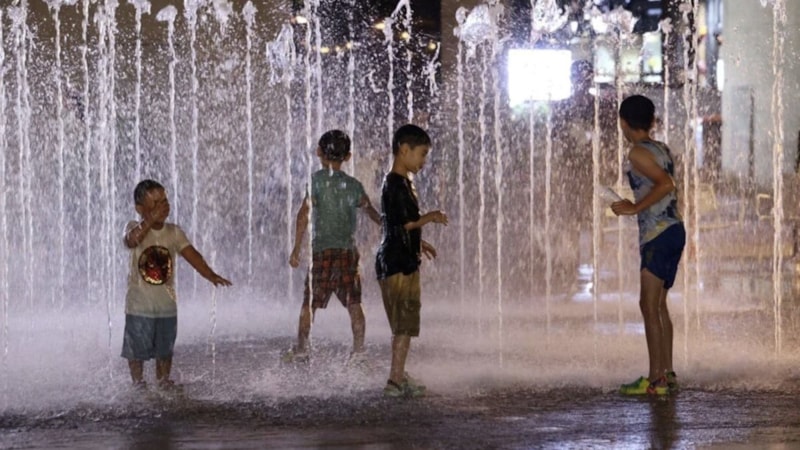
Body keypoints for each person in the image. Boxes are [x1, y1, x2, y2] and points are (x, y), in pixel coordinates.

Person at [122, 179, 231, 390]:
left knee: (165, 349)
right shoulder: (133, 226)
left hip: (166, 305)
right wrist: (150, 219)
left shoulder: (174, 232)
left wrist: (211, 275)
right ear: (139, 209)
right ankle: (138, 382)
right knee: (136, 350)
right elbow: (132, 240)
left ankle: (163, 380)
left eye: (164, 201)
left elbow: (192, 255)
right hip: (138, 306)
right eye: (155, 204)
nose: (163, 207)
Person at [285, 130, 381, 364]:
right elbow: (370, 211)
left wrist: (297, 248)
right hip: (347, 253)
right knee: (354, 303)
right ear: (348, 157)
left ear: (319, 152)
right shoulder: (354, 186)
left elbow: (303, 215)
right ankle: (358, 352)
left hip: (321, 252)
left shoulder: (316, 181)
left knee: (310, 303)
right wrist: (385, 224)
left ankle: (301, 349)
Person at [611, 95, 685, 395]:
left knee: (647, 305)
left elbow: (666, 184)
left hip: (658, 234)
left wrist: (634, 207)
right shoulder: (661, 148)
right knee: (658, 304)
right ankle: (666, 372)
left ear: (624, 122)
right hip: (672, 230)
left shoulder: (637, 153)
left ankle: (655, 382)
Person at [376, 124, 448, 398]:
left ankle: (400, 374)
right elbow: (406, 223)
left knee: (400, 326)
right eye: (422, 154)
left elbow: (395, 225)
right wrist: (431, 217)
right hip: (400, 264)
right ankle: (395, 381)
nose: (424, 161)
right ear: (404, 150)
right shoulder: (396, 184)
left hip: (391, 260)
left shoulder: (396, 182)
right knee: (404, 325)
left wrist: (421, 242)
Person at [549, 59, 617, 293]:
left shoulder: (600, 108)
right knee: (573, 226)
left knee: (595, 224)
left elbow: (610, 141)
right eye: (578, 78)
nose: (580, 82)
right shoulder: (562, 108)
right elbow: (554, 143)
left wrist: (606, 164)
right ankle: (572, 272)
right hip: (572, 175)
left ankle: (594, 272)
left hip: (591, 174)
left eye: (584, 78)